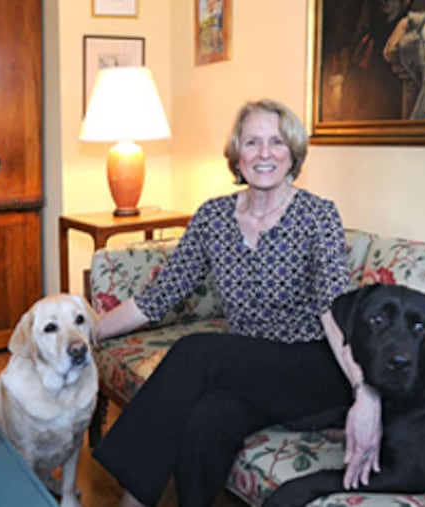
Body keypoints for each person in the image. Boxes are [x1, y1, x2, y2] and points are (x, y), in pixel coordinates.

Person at [92, 99, 382, 507]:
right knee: (208, 419)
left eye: (277, 142)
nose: (264, 154)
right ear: (237, 154)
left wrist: (364, 391)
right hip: (251, 370)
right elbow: (158, 297)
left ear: (293, 153)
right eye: (252, 142)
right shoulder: (213, 217)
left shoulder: (317, 216)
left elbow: (333, 309)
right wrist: (89, 331)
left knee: (197, 352)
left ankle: (130, 502)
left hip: (313, 368)